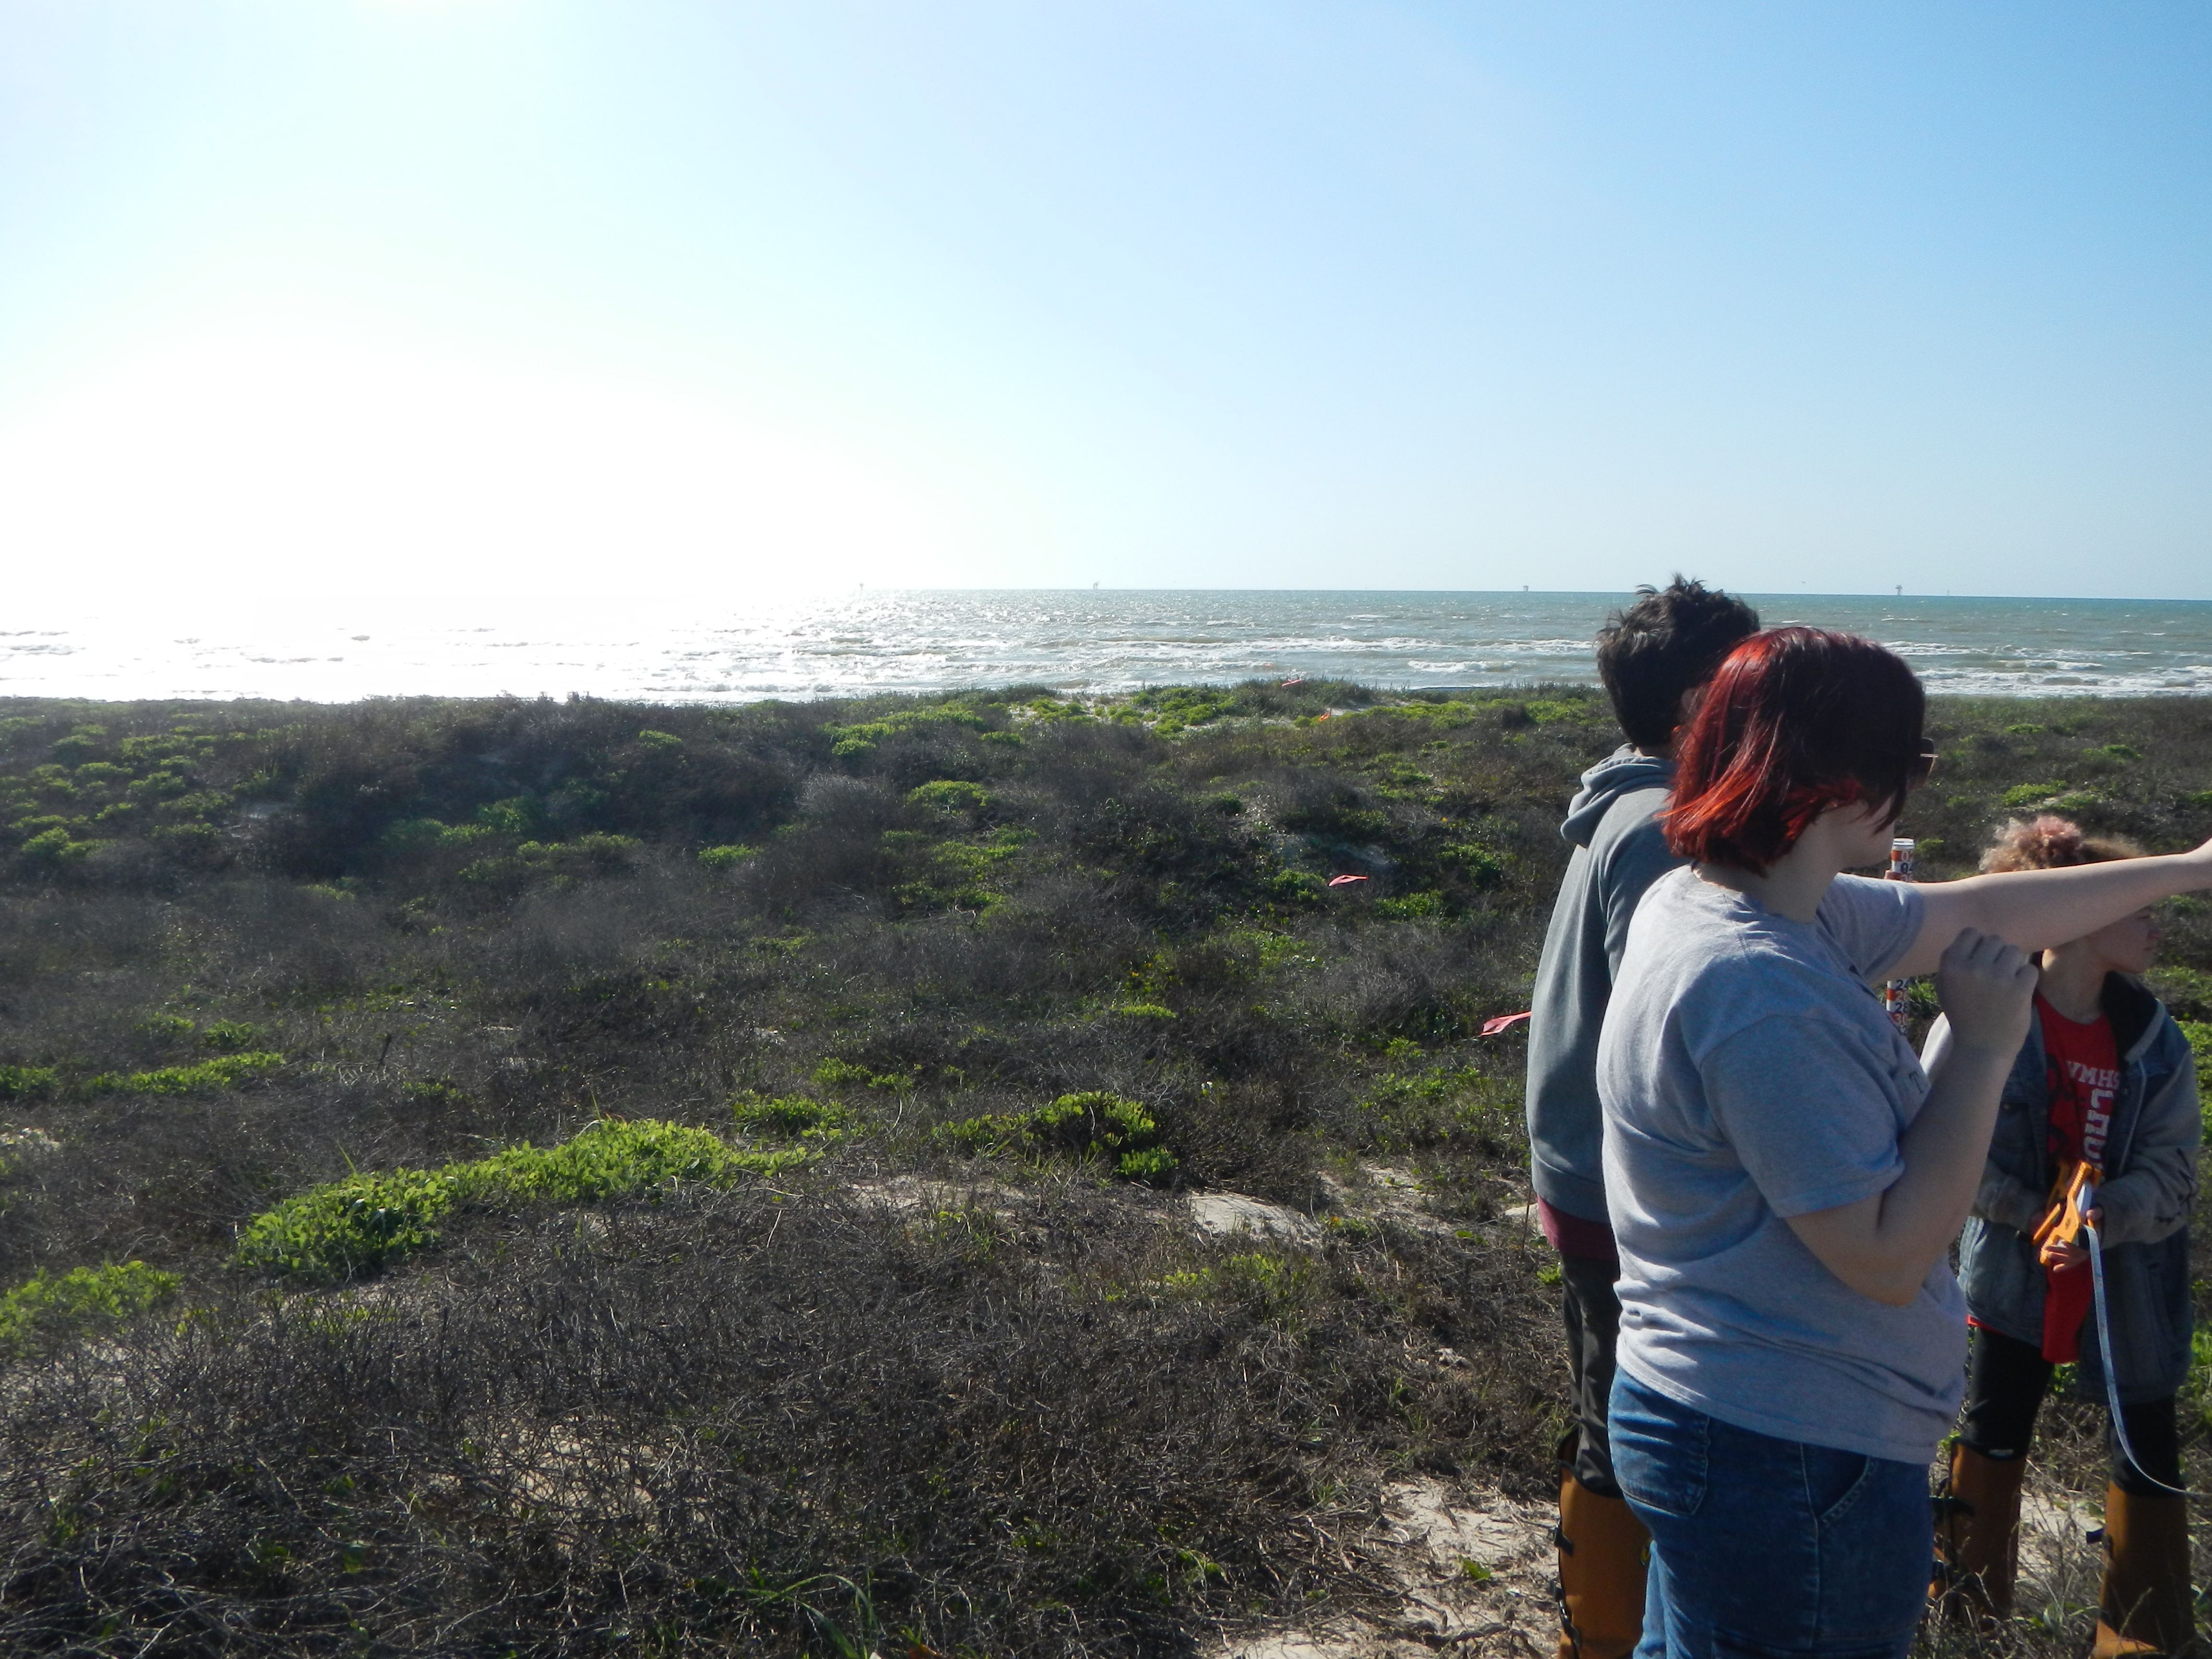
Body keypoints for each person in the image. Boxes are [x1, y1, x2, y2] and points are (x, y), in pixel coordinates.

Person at [1594, 626, 2212, 1659]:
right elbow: (1884, 1259)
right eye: (1911, 764)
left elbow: (1980, 910)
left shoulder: (1732, 902)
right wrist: (1981, 1047)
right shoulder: (1759, 986)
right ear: (1843, 784)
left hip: (1720, 1420)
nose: (1915, 788)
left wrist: (2190, 871)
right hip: (1787, 1453)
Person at [1524, 577, 1759, 1659]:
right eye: (1752, 682)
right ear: (1700, 705)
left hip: (1587, 1175)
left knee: (1608, 1415)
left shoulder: (1621, 804)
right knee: (1626, 1433)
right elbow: (1667, 1033)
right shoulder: (1663, 826)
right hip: (1624, 1192)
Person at [1930, 817, 2199, 1657]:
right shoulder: (1983, 1021)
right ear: (2078, 916)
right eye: (2138, 902)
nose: (2158, 920)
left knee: (2146, 1447)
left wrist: (2098, 1217)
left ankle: (2144, 1638)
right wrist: (2037, 1214)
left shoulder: (2157, 1042)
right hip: (2013, 1282)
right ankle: (1967, 1628)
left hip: (2127, 1287)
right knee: (1992, 1431)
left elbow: (2174, 1177)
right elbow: (1948, 1160)